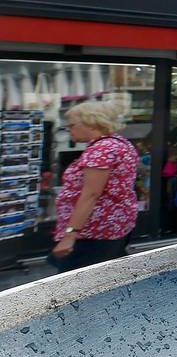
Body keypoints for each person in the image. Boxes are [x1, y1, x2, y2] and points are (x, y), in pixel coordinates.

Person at [48, 101, 140, 273]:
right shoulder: (121, 144)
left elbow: (91, 194)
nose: (69, 129)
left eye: (72, 124)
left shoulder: (102, 150)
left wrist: (70, 236)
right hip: (112, 227)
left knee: (76, 285)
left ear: (92, 122)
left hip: (93, 233)